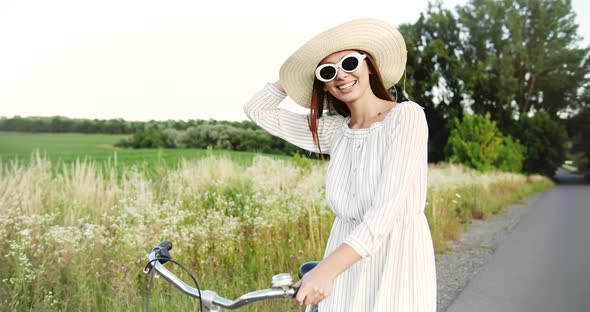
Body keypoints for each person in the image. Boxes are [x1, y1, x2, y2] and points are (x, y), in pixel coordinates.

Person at [243, 18, 436, 311]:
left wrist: (326, 270)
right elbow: (256, 110)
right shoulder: (335, 132)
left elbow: (386, 211)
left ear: (369, 64)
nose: (341, 75)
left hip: (395, 259)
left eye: (348, 62)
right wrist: (299, 72)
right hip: (343, 262)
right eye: (328, 71)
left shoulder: (406, 117)